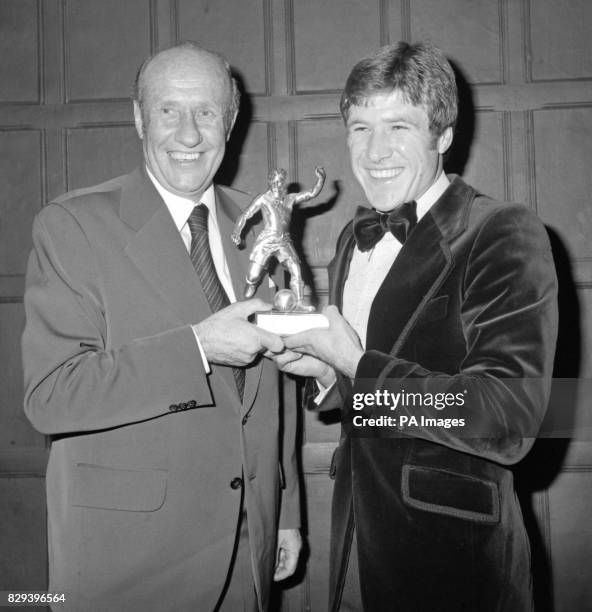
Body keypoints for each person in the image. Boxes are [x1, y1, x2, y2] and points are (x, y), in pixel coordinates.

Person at [276, 41, 558, 611]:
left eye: (398, 126)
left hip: (454, 561)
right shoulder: (350, 248)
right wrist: (329, 371)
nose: (375, 151)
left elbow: (505, 418)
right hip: (357, 541)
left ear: (443, 135)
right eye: (360, 128)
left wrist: (355, 363)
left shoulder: (501, 231)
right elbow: (380, 396)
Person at [21, 41, 301, 612]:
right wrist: (198, 347)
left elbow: (278, 385)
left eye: (206, 113)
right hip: (126, 567)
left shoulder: (257, 223)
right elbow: (52, 396)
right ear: (138, 118)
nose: (189, 134)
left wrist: (285, 509)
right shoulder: (71, 225)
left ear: (231, 121)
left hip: (248, 551)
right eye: (169, 111)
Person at [231, 166, 325, 311]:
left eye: (279, 182)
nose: (276, 185)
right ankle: (251, 283)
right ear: (269, 183)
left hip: (284, 241)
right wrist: (237, 232)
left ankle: (299, 303)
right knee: (253, 275)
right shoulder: (263, 198)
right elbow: (246, 215)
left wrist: (321, 179)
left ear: (283, 182)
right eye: (273, 183)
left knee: (296, 271)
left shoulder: (290, 198)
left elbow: (311, 193)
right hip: (267, 240)